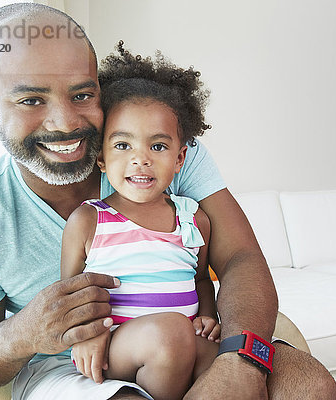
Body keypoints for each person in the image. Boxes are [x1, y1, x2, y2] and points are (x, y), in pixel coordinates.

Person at [0, 3, 336, 399]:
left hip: (188, 339)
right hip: (72, 365)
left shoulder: (158, 155)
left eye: (82, 94)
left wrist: (240, 363)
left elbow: (240, 258)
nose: (64, 123)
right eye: (31, 100)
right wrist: (22, 334)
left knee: (307, 385)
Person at [61, 44, 221, 399]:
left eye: (158, 147)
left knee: (224, 359)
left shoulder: (192, 218)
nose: (140, 160)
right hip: (117, 345)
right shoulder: (90, 220)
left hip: (181, 339)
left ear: (180, 158)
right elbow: (71, 293)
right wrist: (90, 334)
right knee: (171, 335)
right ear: (100, 158)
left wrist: (209, 315)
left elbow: (200, 278)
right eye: (122, 146)